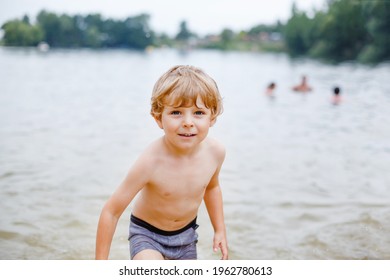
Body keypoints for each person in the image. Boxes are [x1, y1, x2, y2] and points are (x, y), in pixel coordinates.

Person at [95, 65, 228, 260]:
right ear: (158, 118)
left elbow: (212, 188)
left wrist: (220, 229)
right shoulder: (151, 162)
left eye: (198, 113)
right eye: (176, 112)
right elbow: (111, 211)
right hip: (147, 235)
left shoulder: (215, 153)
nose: (188, 122)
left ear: (212, 117)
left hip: (186, 237)